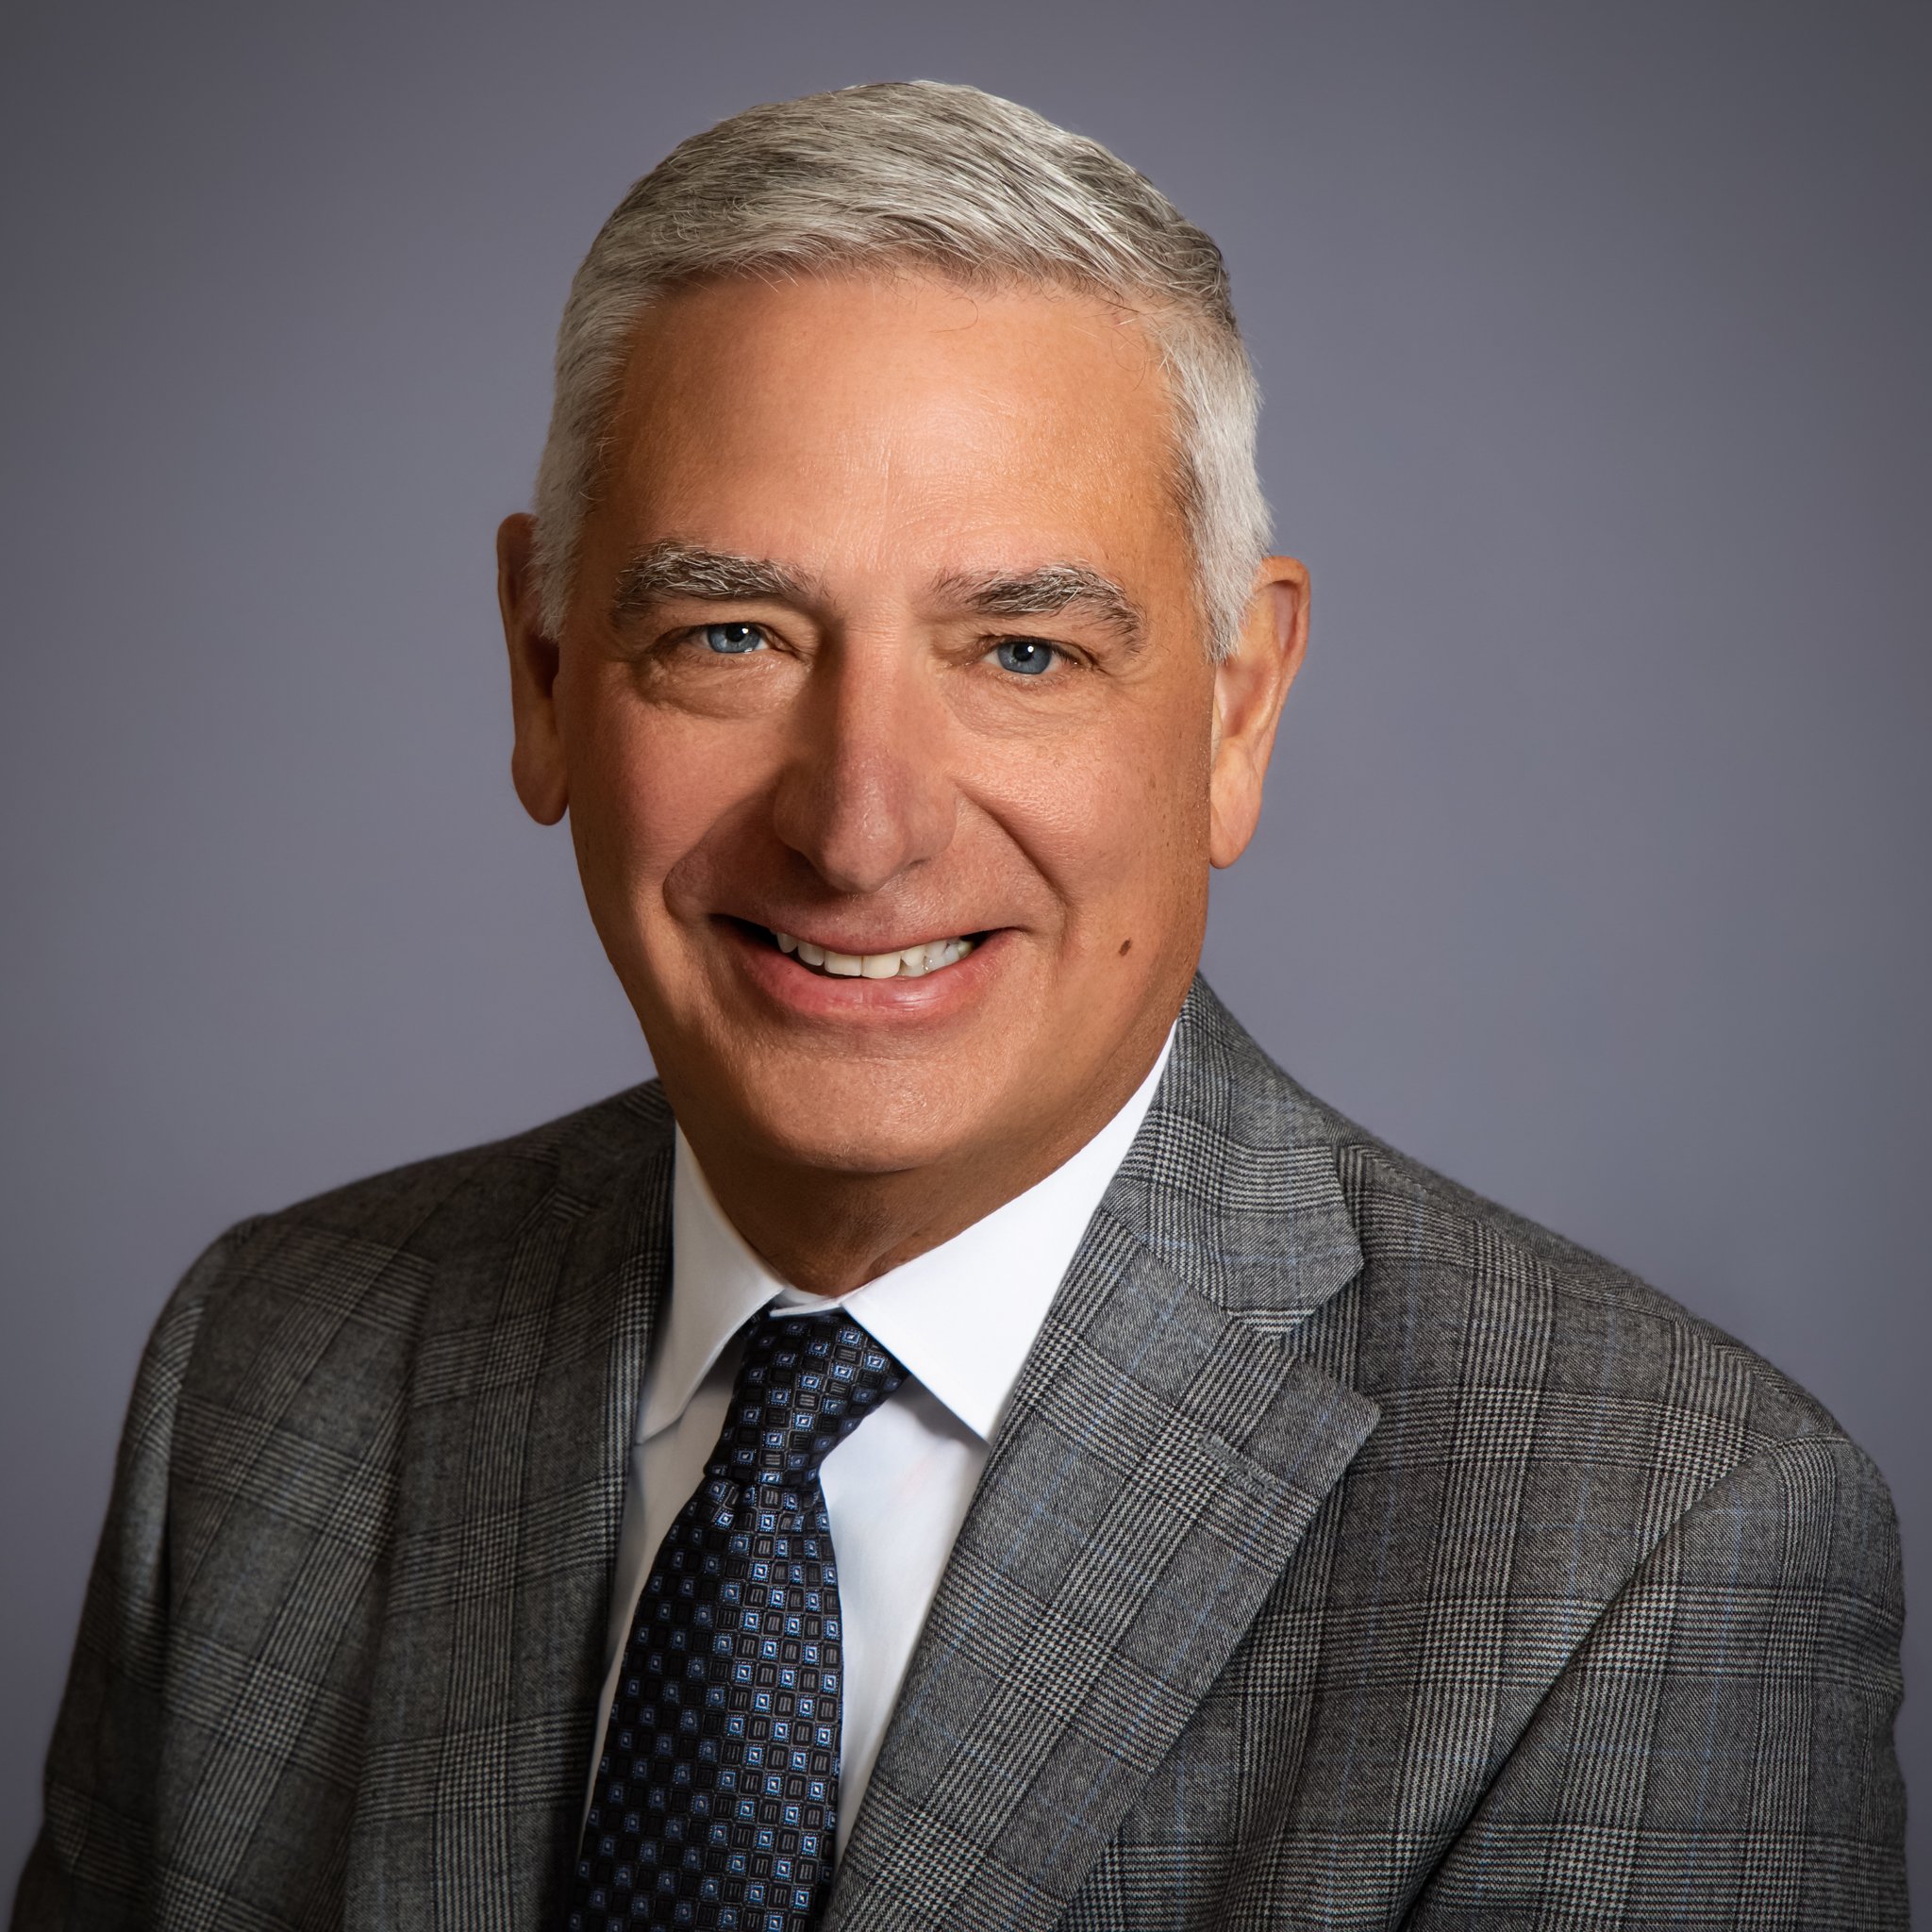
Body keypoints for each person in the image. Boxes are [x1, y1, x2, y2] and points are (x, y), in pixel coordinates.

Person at [13, 79, 1906, 1932]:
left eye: (1021, 649)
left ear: (1239, 710)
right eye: (731, 636)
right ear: (541, 669)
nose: (860, 826)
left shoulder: (1650, 1545)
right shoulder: (268, 1370)